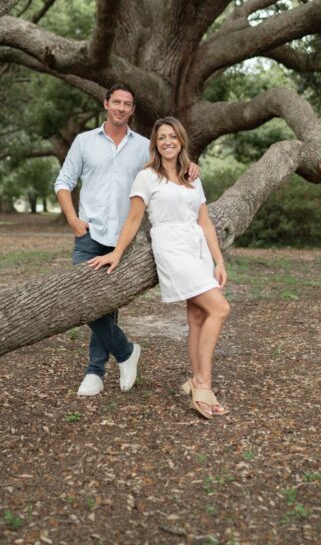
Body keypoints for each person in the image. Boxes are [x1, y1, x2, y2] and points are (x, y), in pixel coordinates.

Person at [89, 117, 230, 420]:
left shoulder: (192, 177)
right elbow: (134, 219)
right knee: (220, 309)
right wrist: (116, 252)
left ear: (181, 141)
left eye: (172, 137)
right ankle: (204, 385)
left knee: (198, 315)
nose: (167, 142)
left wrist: (218, 260)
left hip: (198, 248)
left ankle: (195, 378)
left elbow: (204, 222)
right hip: (171, 247)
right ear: (155, 144)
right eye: (161, 137)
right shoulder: (146, 177)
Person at [55, 84, 148, 397]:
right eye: (116, 102)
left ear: (132, 110)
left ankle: (95, 372)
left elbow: (170, 169)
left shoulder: (145, 147)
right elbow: (63, 183)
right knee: (82, 299)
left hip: (123, 239)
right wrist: (72, 219)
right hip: (89, 235)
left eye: (128, 104)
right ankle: (126, 352)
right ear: (106, 103)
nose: (121, 108)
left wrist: (191, 166)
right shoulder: (84, 142)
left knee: (105, 306)